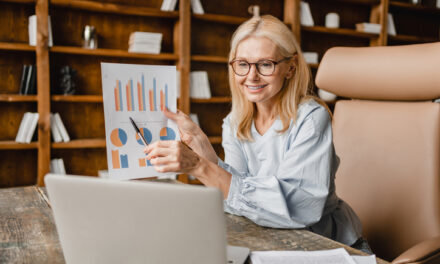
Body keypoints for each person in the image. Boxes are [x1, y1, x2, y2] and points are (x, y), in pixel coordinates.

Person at [144, 15, 372, 254]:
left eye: (265, 64)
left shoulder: (311, 118)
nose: (251, 76)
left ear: (290, 67)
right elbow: (239, 199)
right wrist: (203, 150)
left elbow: (299, 209)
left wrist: (201, 167)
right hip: (275, 243)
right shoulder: (234, 122)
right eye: (242, 64)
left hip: (329, 248)